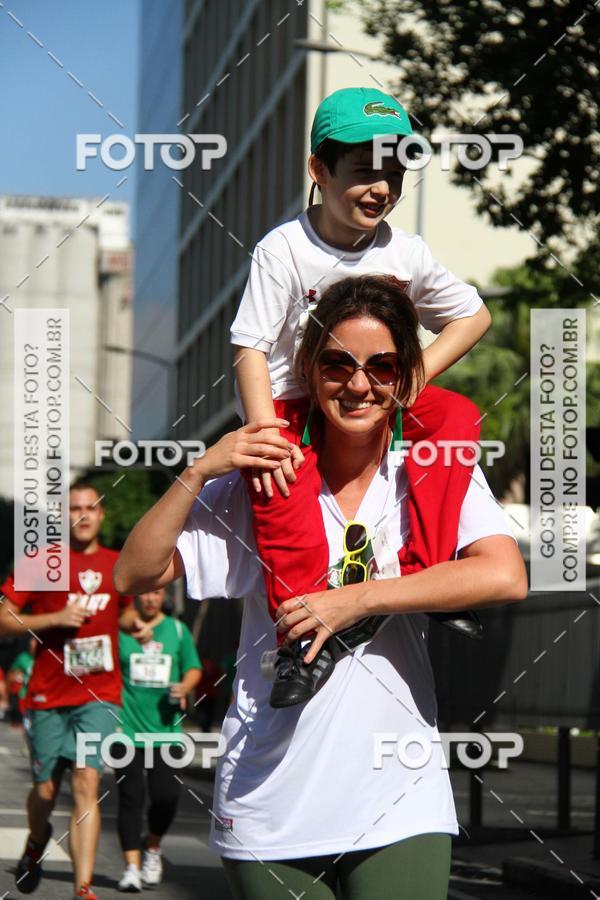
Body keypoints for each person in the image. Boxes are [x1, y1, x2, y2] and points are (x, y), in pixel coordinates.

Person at [114, 275, 527, 900]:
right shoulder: (262, 486)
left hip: (400, 796)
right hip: (269, 798)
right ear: (309, 368)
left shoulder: (430, 468)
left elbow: (504, 575)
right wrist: (201, 469)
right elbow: (134, 574)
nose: (358, 385)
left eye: (381, 366)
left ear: (405, 373)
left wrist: (358, 597)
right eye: (337, 363)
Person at [231, 86, 492, 706]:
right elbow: (249, 348)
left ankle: (428, 572)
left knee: (455, 413)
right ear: (319, 171)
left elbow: (472, 317)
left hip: (371, 401)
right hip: (301, 404)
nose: (382, 186)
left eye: (395, 170)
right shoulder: (285, 248)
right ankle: (299, 637)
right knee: (280, 492)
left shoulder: (406, 252)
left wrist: (406, 380)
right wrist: (267, 432)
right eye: (365, 171)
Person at [0, 482, 150, 900]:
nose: (82, 515)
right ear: (62, 517)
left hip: (100, 694)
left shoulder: (118, 563)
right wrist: (55, 619)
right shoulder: (40, 562)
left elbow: (122, 612)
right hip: (48, 694)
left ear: (102, 515)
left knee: (87, 780)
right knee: (46, 790)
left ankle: (82, 888)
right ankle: (36, 839)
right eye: (73, 509)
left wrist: (133, 623)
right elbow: (4, 616)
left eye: (90, 508)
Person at [115, 587, 201, 892]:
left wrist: (184, 687)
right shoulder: (124, 629)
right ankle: (131, 868)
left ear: (164, 594)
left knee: (166, 796)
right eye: (145, 593)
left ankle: (152, 847)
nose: (150, 598)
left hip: (166, 732)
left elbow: (193, 668)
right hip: (126, 730)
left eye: (156, 593)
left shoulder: (177, 630)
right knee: (131, 797)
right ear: (137, 596)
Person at [7, 637, 36, 729]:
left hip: (39, 694)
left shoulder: (43, 658)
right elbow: (11, 674)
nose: (32, 648)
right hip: (23, 693)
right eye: (31, 645)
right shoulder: (23, 657)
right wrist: (18, 677)